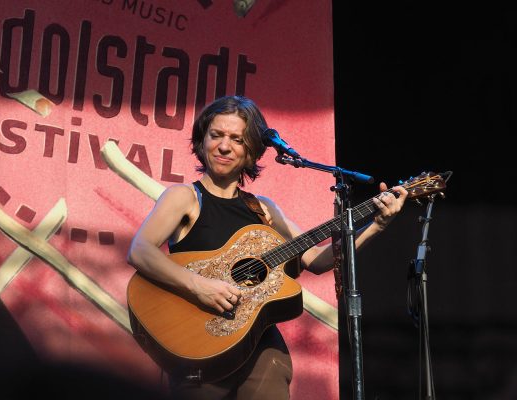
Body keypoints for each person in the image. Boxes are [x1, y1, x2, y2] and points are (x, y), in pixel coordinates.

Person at [127, 95, 407, 399]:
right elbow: (140, 250)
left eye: (236, 139)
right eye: (216, 135)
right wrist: (200, 286)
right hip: (198, 344)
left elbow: (315, 258)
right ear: (201, 140)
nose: (223, 146)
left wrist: (376, 225)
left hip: (258, 343)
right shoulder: (185, 197)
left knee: (273, 369)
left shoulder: (263, 209)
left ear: (251, 151)